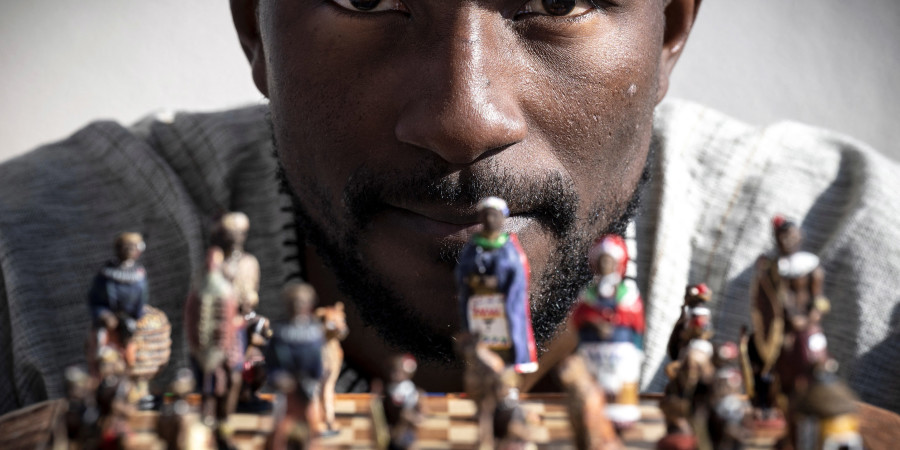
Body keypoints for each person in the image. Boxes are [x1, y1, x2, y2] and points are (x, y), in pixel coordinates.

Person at [1, 0, 899, 418]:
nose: (465, 117)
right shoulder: (25, 271)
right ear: (252, 29)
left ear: (670, 32)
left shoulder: (867, 270)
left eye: (554, 0)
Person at [456, 196, 538, 374]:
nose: (490, 220)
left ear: (502, 218)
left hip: (502, 307)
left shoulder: (508, 248)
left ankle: (506, 382)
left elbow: (516, 278)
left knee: (504, 346)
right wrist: (476, 282)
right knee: (481, 346)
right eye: (486, 215)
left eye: (494, 215)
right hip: (479, 306)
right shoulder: (473, 248)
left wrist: (498, 284)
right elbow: (463, 274)